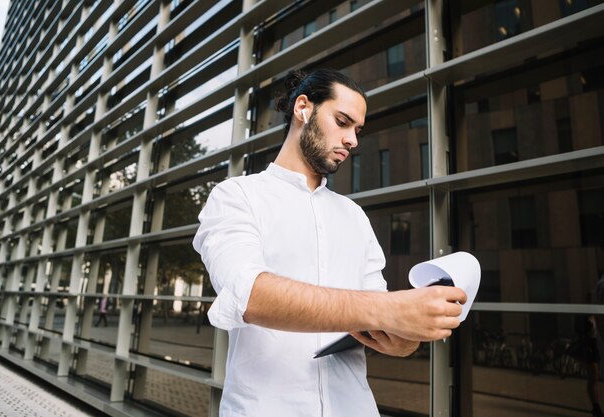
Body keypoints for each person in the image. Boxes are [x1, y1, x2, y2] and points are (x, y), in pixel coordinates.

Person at [193, 69, 466, 417]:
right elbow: (250, 296)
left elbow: (383, 323)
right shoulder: (236, 197)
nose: (353, 140)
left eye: (357, 130)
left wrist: (408, 332)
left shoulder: (354, 216)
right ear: (303, 108)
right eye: (343, 121)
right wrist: (388, 309)